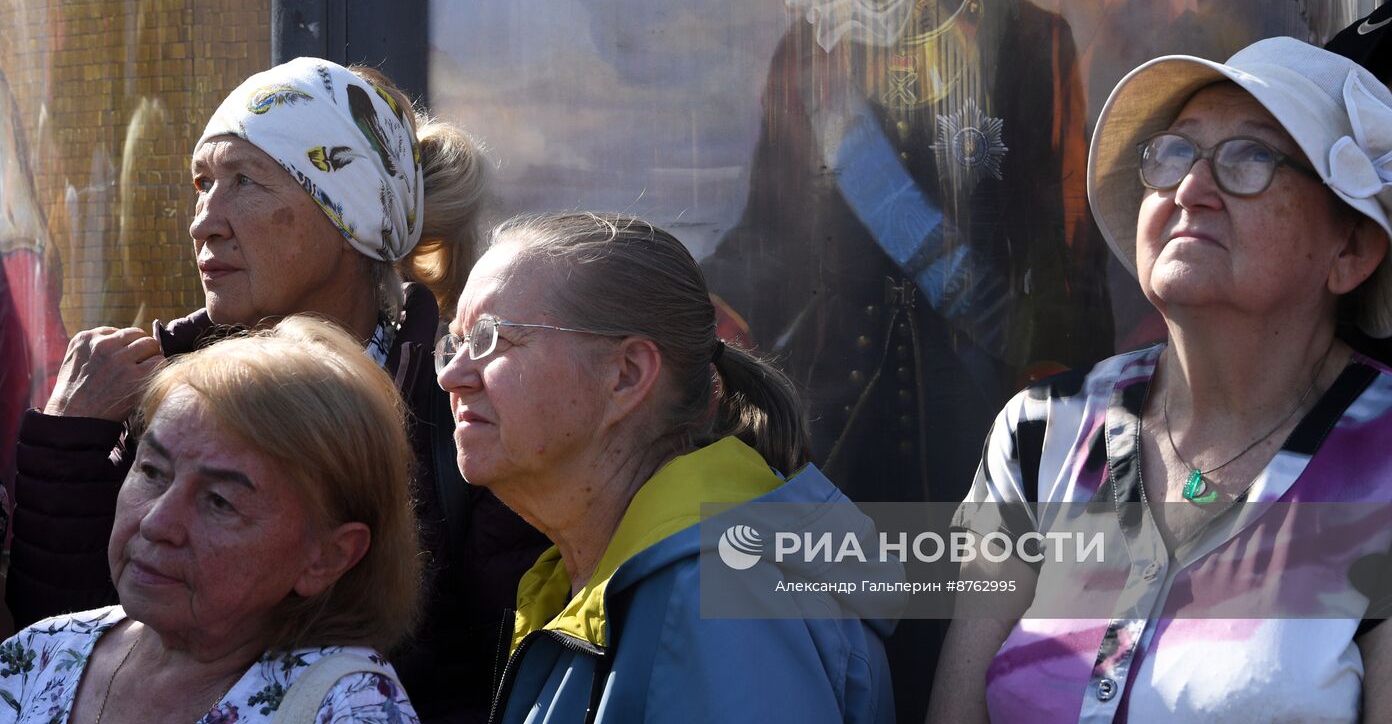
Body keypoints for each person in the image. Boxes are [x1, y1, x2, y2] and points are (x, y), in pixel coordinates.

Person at [701, 0, 1113, 714]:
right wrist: (688, 314)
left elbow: (1069, 256)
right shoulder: (815, 51)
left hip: (982, 432)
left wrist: (1072, 445)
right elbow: (769, 235)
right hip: (837, 432)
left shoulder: (1035, 42)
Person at [6, 59, 548, 723]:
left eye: (244, 182)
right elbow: (65, 672)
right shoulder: (137, 392)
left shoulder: (461, 408)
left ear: (350, 217)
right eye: (202, 184)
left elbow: (518, 675)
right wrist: (68, 447)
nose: (205, 221)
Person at [929, 37, 1392, 723]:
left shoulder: (1388, 466)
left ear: (1350, 249)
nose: (1191, 189)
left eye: (1251, 158)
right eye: (1176, 151)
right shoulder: (1042, 432)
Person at [436, 212, 897, 723]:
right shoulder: (620, 581)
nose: (452, 376)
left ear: (627, 374)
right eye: (454, 344)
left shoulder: (715, 601)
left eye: (492, 339)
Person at [0, 317, 422, 723]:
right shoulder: (39, 655)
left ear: (327, 557)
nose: (156, 523)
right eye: (151, 471)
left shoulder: (348, 708)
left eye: (219, 501)